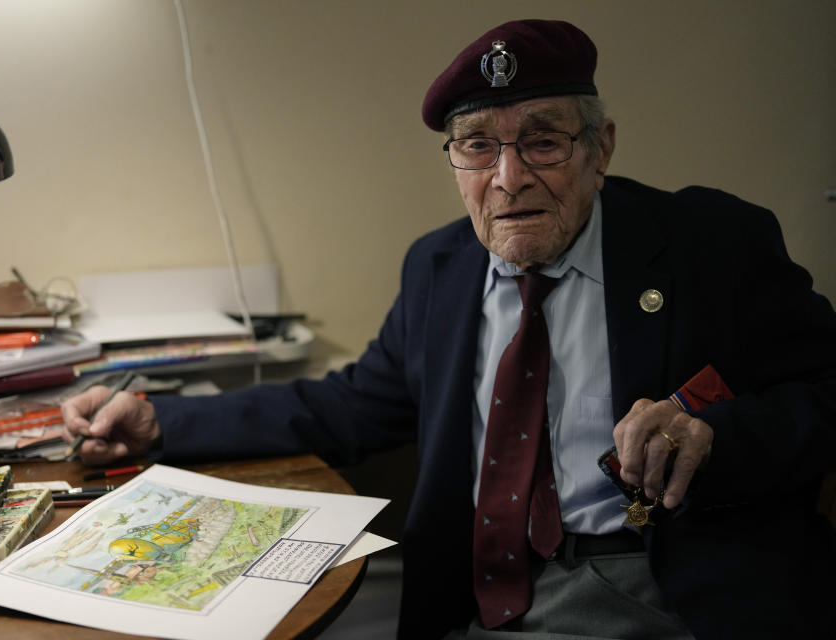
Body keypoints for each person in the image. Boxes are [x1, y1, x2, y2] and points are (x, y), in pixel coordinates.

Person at [62, 19, 836, 639]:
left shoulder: (709, 241)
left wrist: (714, 434)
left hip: (645, 580)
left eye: (542, 140)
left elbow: (825, 389)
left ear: (600, 149)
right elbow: (354, 405)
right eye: (478, 146)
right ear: (455, 161)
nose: (508, 178)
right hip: (468, 588)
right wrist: (161, 420)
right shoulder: (439, 268)